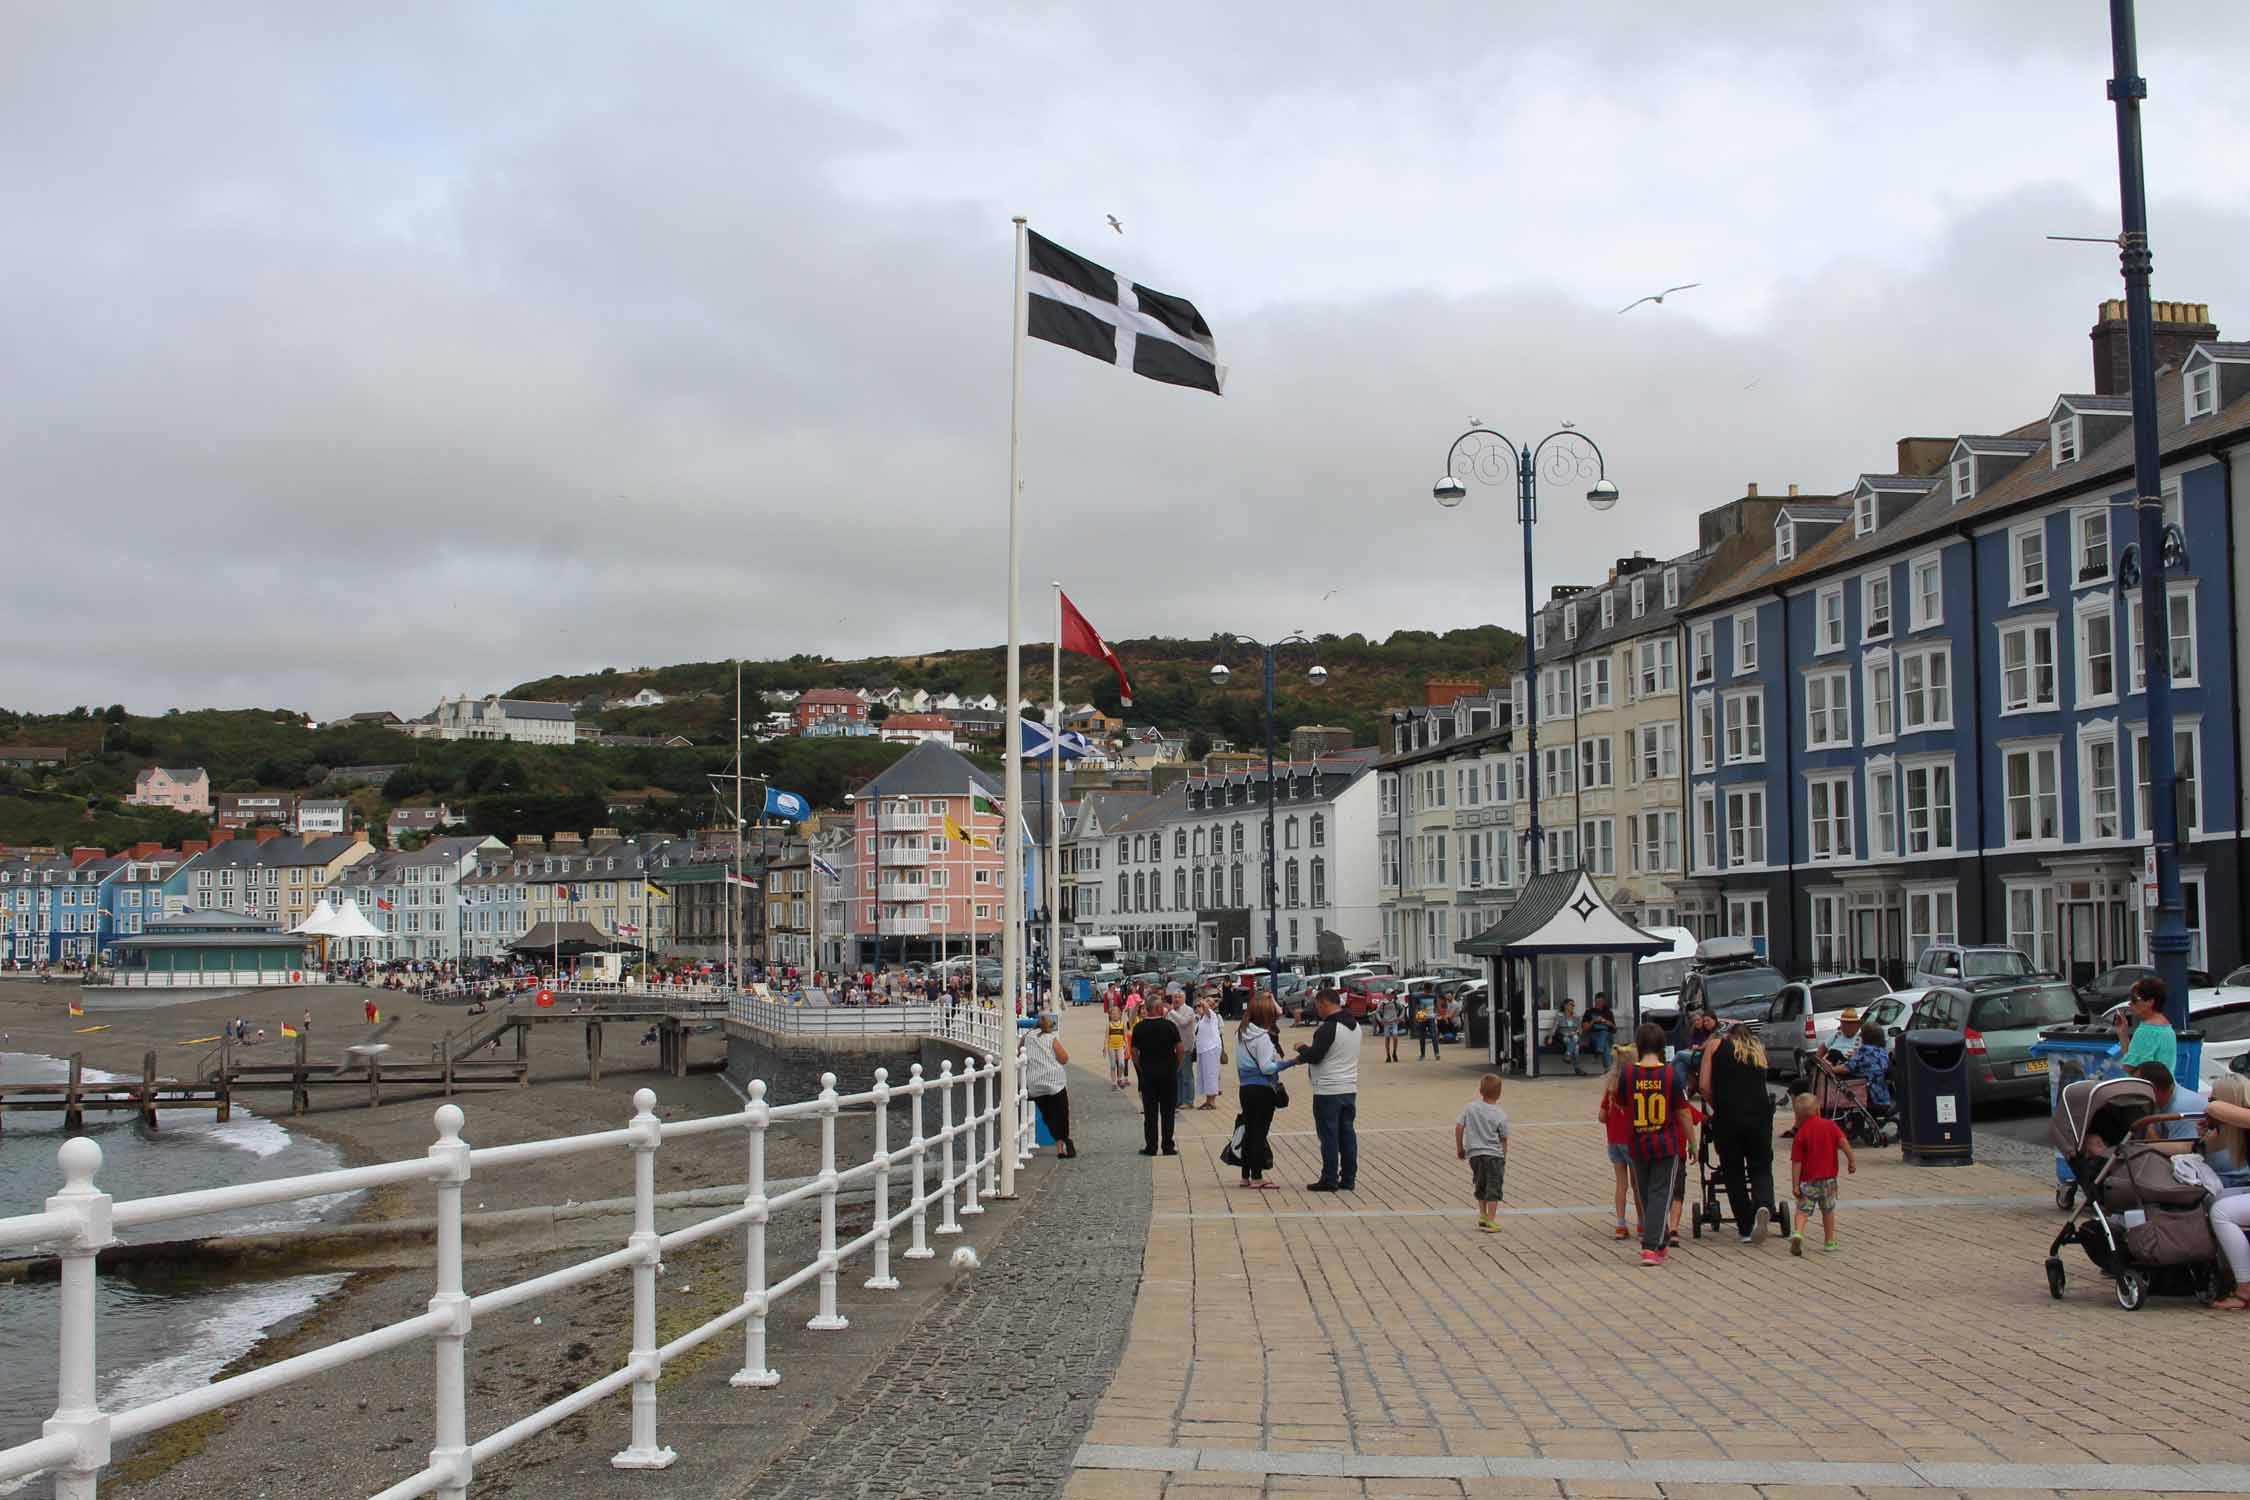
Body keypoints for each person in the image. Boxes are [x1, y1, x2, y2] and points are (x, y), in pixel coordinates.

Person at [1699, 1020, 1778, 1246]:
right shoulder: (1758, 1049)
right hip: (1760, 1115)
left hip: (1728, 1116)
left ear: (1728, 1035)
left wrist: (1717, 1104)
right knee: (1761, 1165)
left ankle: (1745, 1227)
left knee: (1733, 1170)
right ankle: (1764, 1203)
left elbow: (1704, 1086)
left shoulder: (1715, 1045)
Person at [1617, 1022, 1689, 1265]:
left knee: (1647, 1193)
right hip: (1665, 1143)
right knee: (1661, 1194)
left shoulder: (1628, 1073)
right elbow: (1683, 1112)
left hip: (1637, 1142)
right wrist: (1693, 1140)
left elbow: (1623, 1104)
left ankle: (1661, 1238)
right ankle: (1650, 1246)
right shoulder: (1670, 1074)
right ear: (1661, 1046)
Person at [1296, 988, 1362, 1192]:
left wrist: (1301, 1048)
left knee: (1329, 1136)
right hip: (1349, 1087)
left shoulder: (1329, 1028)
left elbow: (1315, 1055)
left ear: (1325, 1004)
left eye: (1318, 1006)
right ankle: (1348, 1178)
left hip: (1327, 1090)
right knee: (1347, 1134)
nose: (1317, 1011)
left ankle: (1329, 1178)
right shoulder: (1355, 1026)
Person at [2198, 1076, 2250, 1310]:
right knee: (2214, 1199)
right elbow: (2204, 1146)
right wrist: (2205, 1129)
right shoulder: (2238, 1126)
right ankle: (2226, 1271)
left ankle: (2245, 1288)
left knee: (2222, 1212)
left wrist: (2213, 1108)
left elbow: (2213, 1107)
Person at [1233, 995, 1296, 1190]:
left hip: (1245, 1087)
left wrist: (1266, 998)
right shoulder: (1262, 1038)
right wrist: (1290, 1062)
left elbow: (1276, 1012)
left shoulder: (1243, 1033)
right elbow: (1267, 1067)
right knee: (1260, 1131)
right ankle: (1258, 1176)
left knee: (1249, 1130)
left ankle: (1245, 1174)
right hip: (1262, 1089)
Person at [1786, 1091, 1855, 1255]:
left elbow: (1797, 1162)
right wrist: (1851, 1160)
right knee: (1828, 1210)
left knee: (1802, 1210)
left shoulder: (1801, 1134)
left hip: (1808, 1181)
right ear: (1818, 1110)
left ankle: (1798, 1233)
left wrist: (1795, 1184)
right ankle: (1829, 1241)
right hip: (1829, 1180)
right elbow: (1843, 1142)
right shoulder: (1830, 1125)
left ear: (1799, 1116)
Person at [1129, 997, 1186, 1155]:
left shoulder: (1139, 1028)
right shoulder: (1170, 1026)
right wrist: (1175, 1065)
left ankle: (1151, 1146)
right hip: (1168, 1073)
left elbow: (1134, 1052)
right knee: (1168, 1112)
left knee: (1150, 1113)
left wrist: (1141, 1068)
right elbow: (1180, 1049)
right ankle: (1168, 1146)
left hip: (1148, 1074)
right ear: (1158, 1008)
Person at [1455, 1074, 1510, 1232]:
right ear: (1499, 1093)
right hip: (1493, 1155)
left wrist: (1460, 1147)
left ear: (1480, 1091)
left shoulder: (1470, 1108)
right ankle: (1491, 1221)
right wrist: (1503, 1155)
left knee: (1481, 1184)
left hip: (1474, 1155)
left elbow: (1459, 1126)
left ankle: (1482, 1215)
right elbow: (1504, 1138)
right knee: (1493, 1186)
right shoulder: (1500, 1114)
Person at [1597, 1051, 1640, 1240]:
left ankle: (1621, 1224)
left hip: (1614, 1140)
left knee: (1620, 1184)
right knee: (1638, 1184)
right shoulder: (1634, 1086)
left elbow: (1602, 1116)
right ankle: (1643, 1222)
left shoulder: (1611, 1087)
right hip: (1632, 1140)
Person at [1025, 1013, 1076, 1159]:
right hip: (1055, 1082)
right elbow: (1064, 1058)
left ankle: (1060, 1150)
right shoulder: (1051, 1038)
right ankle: (1066, 1140)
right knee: (1061, 1114)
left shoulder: (1028, 1037)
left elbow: (1018, 1051)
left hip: (1035, 1085)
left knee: (1049, 1117)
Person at [2127, 1060, 2206, 1147]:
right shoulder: (2166, 1097)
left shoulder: (2182, 1109)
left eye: (2136, 1091)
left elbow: (2179, 1156)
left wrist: (2148, 1124)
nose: (2134, 1096)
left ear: (2153, 1090)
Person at [2118, 976, 2179, 1071]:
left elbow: (2130, 1067)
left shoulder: (2147, 1029)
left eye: (2134, 999)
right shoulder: (2167, 1027)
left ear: (2150, 1002)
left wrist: (2123, 1037)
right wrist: (2123, 1035)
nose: (2130, 1004)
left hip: (2148, 1086)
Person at [1844, 1022, 1893, 1111]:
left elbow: (1846, 1068)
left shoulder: (1864, 1050)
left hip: (1869, 1097)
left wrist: (1831, 1068)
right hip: (1883, 1097)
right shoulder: (1882, 1052)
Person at [1168, 988, 1197, 1113]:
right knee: (1177, 1075)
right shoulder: (1171, 1012)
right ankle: (1178, 1100)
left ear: (1184, 998)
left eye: (1179, 997)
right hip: (1173, 1048)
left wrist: (1171, 1011)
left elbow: (1183, 1022)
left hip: (1186, 1047)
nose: (1176, 999)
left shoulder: (1189, 1010)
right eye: (1175, 997)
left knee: (1186, 1075)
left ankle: (1188, 1101)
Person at [1193, 999, 1224, 1109]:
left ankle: (1212, 1101)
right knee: (1204, 1075)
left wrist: (1202, 1000)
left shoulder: (1212, 1015)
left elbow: (1206, 1008)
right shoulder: (1201, 1019)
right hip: (1203, 1049)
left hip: (1211, 1048)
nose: (1197, 1008)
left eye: (1199, 1006)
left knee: (1211, 1074)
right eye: (1196, 1006)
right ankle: (1208, 1100)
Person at [1582, 994, 1616, 1071]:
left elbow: (1614, 1029)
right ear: (1595, 1000)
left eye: (1601, 1001)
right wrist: (1593, 1021)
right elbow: (1585, 1028)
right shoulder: (1589, 1012)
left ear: (1604, 1002)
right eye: (1598, 1001)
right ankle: (1608, 1069)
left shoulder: (1608, 1013)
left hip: (1607, 1035)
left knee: (1604, 1033)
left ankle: (1598, 1052)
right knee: (1605, 1045)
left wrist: (1607, 1022)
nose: (1599, 1003)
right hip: (1593, 1035)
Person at [1374, 990, 1405, 1063]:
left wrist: (1400, 1018)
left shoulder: (1396, 1003)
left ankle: (1394, 1052)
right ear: (1386, 995)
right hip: (1386, 1023)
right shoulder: (1383, 1004)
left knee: (1395, 1036)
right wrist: (1380, 1020)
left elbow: (1402, 1009)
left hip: (1394, 1022)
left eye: (1392, 994)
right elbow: (1377, 1012)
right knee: (1387, 1038)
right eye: (1388, 995)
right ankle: (1388, 1055)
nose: (1390, 996)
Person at [1104, 1005, 1130, 1090]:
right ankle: (1114, 1082)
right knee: (1112, 1065)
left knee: (1122, 1063)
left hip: (1120, 1046)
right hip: (1111, 1046)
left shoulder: (1123, 1024)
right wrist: (1105, 1047)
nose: (1115, 1015)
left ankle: (1120, 1078)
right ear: (1110, 1015)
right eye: (1113, 1014)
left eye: (1116, 1013)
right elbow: (1106, 1037)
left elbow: (1125, 1036)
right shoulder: (1109, 1025)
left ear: (1120, 1015)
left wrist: (1127, 1046)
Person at [1554, 998, 1582, 1073]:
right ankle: (1577, 1068)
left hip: (1574, 1036)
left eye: (1573, 1005)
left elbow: (1580, 1030)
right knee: (1575, 1044)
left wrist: (1575, 1032)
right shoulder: (1560, 1016)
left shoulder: (1576, 1017)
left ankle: (1568, 1054)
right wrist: (1550, 1037)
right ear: (1565, 1006)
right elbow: (1554, 1028)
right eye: (1571, 1005)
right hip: (1563, 1036)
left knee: (1575, 1042)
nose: (1573, 1006)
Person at [1414, 991, 1441, 1061]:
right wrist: (1417, 1017)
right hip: (1422, 1019)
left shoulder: (1433, 996)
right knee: (1422, 1037)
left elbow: (1437, 1006)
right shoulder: (1419, 997)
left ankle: (1437, 1053)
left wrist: (1435, 1014)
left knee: (1433, 1036)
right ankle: (1423, 1055)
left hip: (1431, 1018)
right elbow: (1417, 1008)